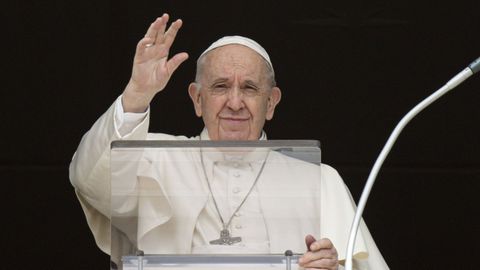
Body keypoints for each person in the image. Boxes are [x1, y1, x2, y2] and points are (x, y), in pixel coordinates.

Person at [69, 13, 389, 270]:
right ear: (197, 100)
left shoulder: (320, 180)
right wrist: (137, 95)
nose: (235, 102)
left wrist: (333, 268)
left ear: (271, 103)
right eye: (221, 86)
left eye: (249, 88)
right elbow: (90, 181)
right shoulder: (153, 158)